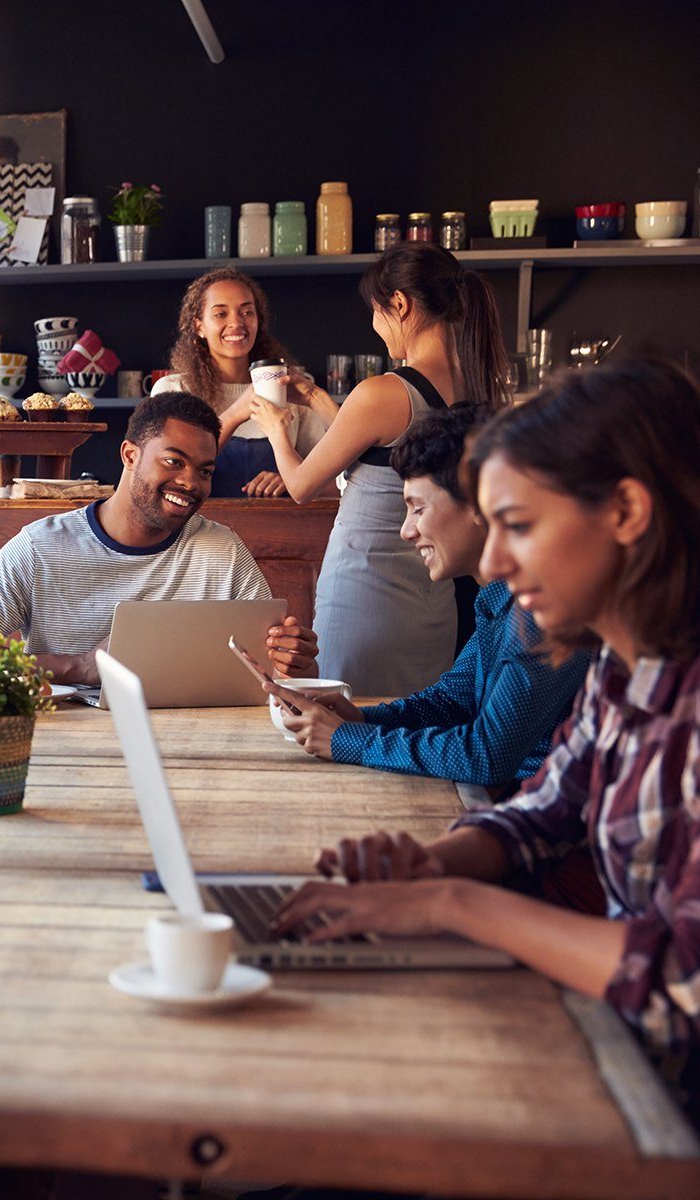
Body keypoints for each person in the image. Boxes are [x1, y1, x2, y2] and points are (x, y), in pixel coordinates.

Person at [272, 359, 700, 1114]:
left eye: (521, 527)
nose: (497, 564)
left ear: (628, 512)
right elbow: (541, 813)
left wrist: (452, 904)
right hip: (621, 1061)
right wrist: (426, 865)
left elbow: (679, 982)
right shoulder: (624, 666)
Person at [247, 242, 512, 696]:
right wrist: (314, 398)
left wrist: (275, 427)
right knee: (416, 727)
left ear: (400, 305)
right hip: (433, 604)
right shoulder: (477, 385)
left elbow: (300, 485)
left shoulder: (384, 392)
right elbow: (386, 452)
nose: (375, 326)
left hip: (366, 594)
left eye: (375, 311)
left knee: (352, 726)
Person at [279, 403, 588, 793]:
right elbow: (451, 702)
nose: (407, 531)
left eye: (417, 509)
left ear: (480, 504)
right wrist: (359, 719)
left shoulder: (540, 609)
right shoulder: (499, 597)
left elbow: (486, 756)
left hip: (545, 824)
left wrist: (346, 740)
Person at [0, 392, 318, 685]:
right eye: (173, 461)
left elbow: (275, 671)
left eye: (204, 470)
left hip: (195, 746)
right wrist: (80, 666)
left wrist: (296, 661)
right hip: (63, 750)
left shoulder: (222, 551)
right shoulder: (41, 547)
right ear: (130, 455)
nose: (190, 483)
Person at [152, 268, 329, 498]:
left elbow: (339, 483)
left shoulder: (290, 389)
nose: (236, 322)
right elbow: (164, 474)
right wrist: (237, 412)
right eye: (220, 314)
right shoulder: (173, 391)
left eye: (247, 312)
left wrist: (292, 480)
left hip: (278, 530)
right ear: (199, 327)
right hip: (196, 530)